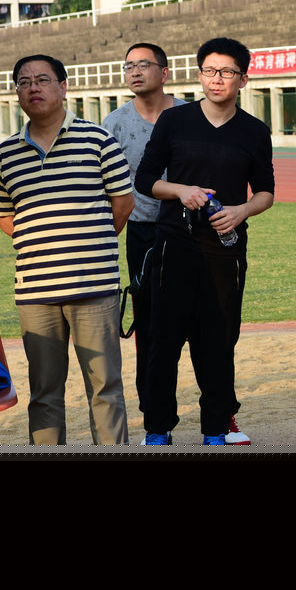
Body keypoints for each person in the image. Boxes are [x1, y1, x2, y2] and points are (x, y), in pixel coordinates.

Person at [136, 37, 274, 446]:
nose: (217, 79)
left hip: (225, 250)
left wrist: (241, 211)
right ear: (199, 75)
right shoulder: (174, 121)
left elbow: (265, 192)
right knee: (163, 341)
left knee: (218, 342)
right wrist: (180, 191)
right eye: (210, 71)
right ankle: (158, 429)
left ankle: (215, 429)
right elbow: (145, 179)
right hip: (173, 245)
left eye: (227, 72)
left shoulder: (254, 131)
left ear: (243, 79)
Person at [0, 54, 133, 445]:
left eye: (42, 79)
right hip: (36, 294)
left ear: (63, 87)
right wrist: (43, 243)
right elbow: (5, 217)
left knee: (105, 388)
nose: (32, 87)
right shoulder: (5, 154)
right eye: (24, 82)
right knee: (44, 392)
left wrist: (89, 243)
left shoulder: (98, 140)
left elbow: (123, 204)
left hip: (94, 288)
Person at [100, 43, 196, 435]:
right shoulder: (114, 123)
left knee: (205, 323)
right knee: (151, 327)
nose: (135, 72)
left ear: (165, 72)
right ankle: (156, 419)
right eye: (129, 66)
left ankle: (221, 411)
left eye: (143, 64)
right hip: (143, 233)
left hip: (192, 230)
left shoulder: (192, 115)